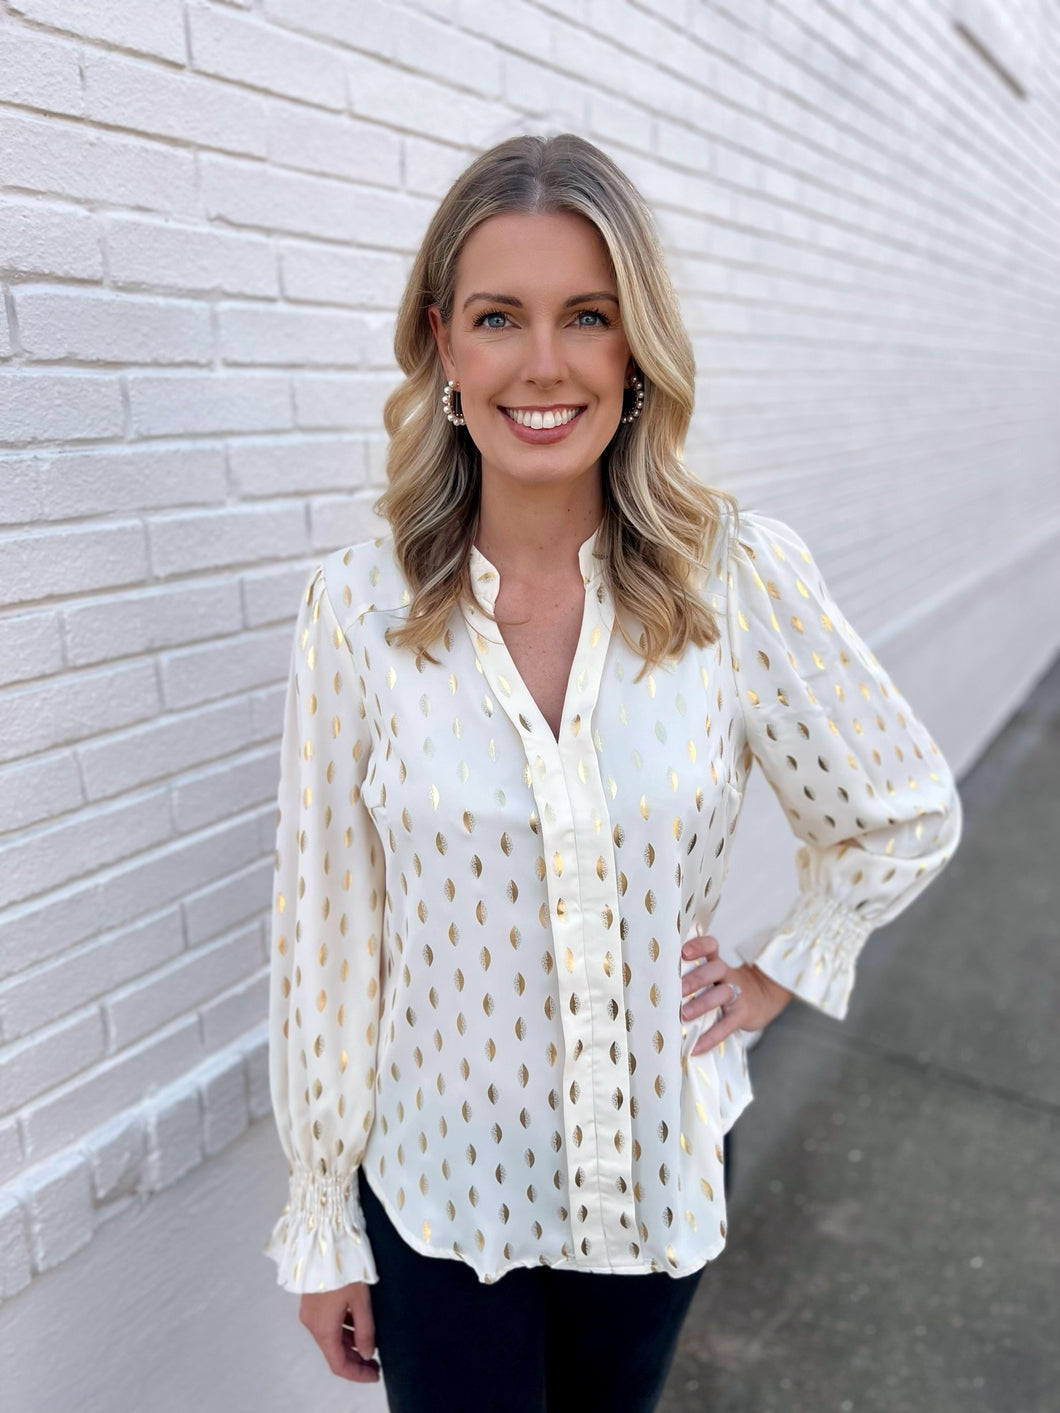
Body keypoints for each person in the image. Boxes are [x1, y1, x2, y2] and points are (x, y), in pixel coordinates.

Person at [263, 133, 963, 1412]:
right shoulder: (354, 613)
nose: (543, 364)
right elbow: (328, 936)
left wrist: (771, 976)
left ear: (634, 347)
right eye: (498, 318)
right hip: (438, 1196)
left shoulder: (732, 580)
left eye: (587, 316)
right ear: (442, 344)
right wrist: (321, 1220)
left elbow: (901, 811)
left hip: (655, 1169)